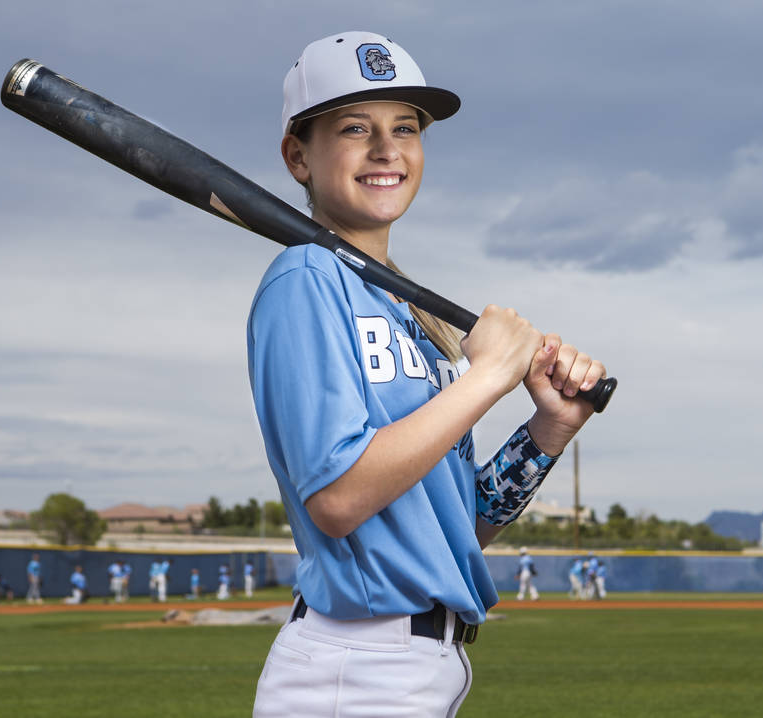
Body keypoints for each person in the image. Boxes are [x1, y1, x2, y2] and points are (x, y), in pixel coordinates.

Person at [247, 31, 607, 717]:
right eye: (355, 128)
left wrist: (548, 430)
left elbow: (455, 529)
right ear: (299, 155)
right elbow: (339, 498)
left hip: (410, 666)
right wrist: (486, 379)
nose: (387, 150)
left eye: (405, 128)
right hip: (357, 670)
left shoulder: (403, 305)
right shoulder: (305, 280)